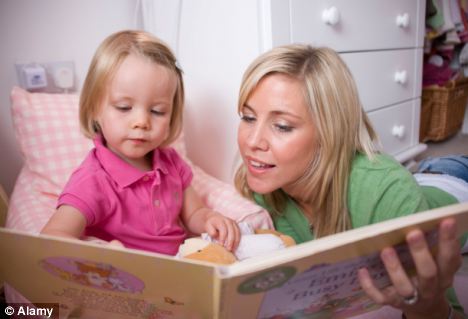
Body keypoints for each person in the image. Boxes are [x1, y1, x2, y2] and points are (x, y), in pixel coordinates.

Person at [234, 44, 466, 318]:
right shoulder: (261, 185)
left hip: (454, 180)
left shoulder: (386, 190)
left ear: (329, 133)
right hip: (415, 180)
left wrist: (428, 309)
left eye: (282, 126)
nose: (251, 142)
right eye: (248, 118)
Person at [41, 30, 240, 255]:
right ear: (95, 108)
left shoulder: (171, 162)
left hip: (180, 268)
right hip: (126, 282)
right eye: (124, 108)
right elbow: (53, 236)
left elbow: (193, 213)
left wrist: (210, 219)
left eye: (157, 111)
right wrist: (98, 250)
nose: (142, 122)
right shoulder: (93, 180)